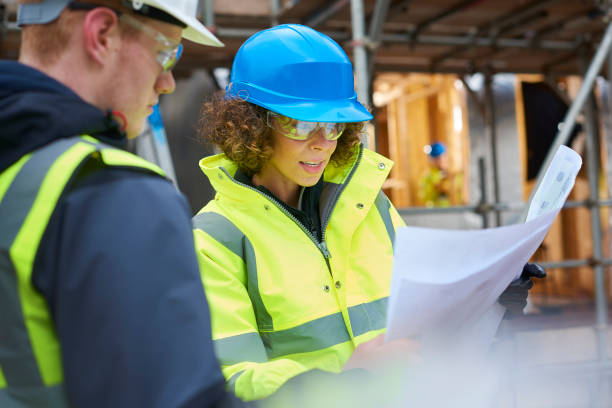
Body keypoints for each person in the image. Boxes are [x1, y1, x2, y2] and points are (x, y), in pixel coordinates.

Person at [193, 24, 545, 403]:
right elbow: (233, 381)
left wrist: (488, 299)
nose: (322, 143)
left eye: (333, 125)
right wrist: (344, 378)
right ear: (249, 126)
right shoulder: (215, 239)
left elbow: (422, 325)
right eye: (301, 123)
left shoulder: (370, 204)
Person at [0, 1, 244, 407]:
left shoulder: (14, 166)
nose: (167, 81)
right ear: (101, 36)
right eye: (167, 52)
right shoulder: (112, 191)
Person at [418, 142, 463, 207]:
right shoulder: (428, 176)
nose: (441, 160)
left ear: (447, 156)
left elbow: (460, 192)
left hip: (454, 209)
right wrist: (434, 188)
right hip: (436, 211)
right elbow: (424, 197)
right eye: (437, 158)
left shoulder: (454, 174)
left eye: (443, 156)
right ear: (432, 160)